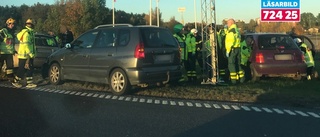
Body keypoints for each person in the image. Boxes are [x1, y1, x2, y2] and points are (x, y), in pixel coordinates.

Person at [12, 18, 37, 88]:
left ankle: (29, 83)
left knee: (29, 68)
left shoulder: (30, 32)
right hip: (26, 55)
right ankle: (16, 81)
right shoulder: (27, 33)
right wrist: (31, 54)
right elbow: (26, 45)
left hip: (26, 55)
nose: (30, 25)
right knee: (22, 69)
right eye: (29, 24)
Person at [225, 18, 244, 84]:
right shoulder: (237, 30)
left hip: (232, 49)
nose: (227, 24)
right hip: (238, 48)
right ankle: (241, 79)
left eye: (228, 23)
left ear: (231, 23)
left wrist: (228, 50)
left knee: (231, 64)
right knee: (238, 64)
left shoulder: (231, 31)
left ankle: (233, 80)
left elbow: (230, 41)